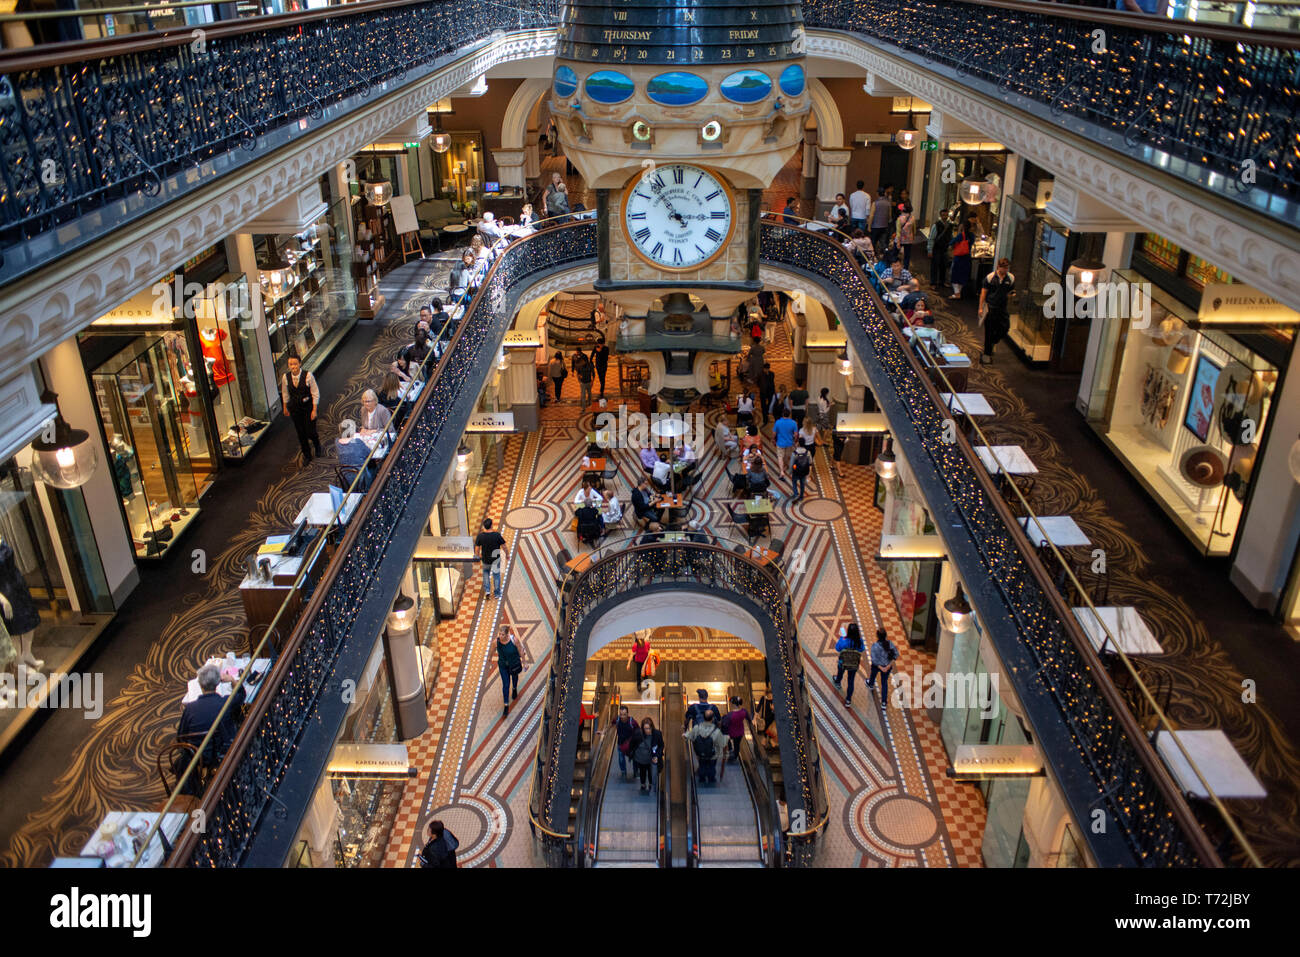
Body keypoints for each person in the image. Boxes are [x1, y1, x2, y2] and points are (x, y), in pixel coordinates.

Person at [178, 662, 245, 767]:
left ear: (200, 684)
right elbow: (241, 694)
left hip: (196, 756)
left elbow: (181, 736)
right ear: (218, 682)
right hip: (222, 753)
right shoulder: (224, 703)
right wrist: (232, 679)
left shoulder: (190, 708)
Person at [281, 353, 321, 464]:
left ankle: (317, 444)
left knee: (310, 431)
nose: (293, 366)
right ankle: (307, 454)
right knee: (301, 433)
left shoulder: (308, 376)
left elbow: (315, 393)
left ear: (300, 364)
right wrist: (285, 407)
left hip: (307, 407)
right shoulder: (286, 377)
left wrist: (314, 409)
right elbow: (285, 393)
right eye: (290, 364)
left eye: (295, 364)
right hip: (295, 408)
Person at [979, 256, 1016, 364]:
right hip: (991, 307)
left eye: (1007, 268)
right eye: (1003, 268)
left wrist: (1012, 295)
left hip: (1002, 308)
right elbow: (983, 292)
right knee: (989, 332)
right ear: (998, 267)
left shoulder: (1011, 278)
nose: (1005, 270)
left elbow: (1012, 290)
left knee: (1005, 328)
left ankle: (993, 342)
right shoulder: (990, 277)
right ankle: (987, 354)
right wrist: (980, 308)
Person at [685, 708, 727, 784]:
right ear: (713, 718)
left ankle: (702, 778)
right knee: (711, 766)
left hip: (700, 753)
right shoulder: (716, 730)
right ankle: (711, 779)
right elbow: (723, 743)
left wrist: (684, 733)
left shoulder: (697, 728)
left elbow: (689, 736)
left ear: (703, 717)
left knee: (702, 765)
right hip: (712, 754)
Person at [629, 716, 665, 794]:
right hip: (641, 758)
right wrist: (632, 754)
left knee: (650, 772)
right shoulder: (638, 734)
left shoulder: (657, 734)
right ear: (642, 728)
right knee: (642, 771)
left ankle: (651, 784)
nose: (648, 730)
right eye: (646, 728)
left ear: (652, 727)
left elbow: (661, 745)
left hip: (651, 758)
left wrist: (657, 756)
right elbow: (632, 744)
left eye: (649, 728)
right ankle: (643, 784)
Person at [336, 419, 374, 491]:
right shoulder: (358, 442)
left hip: (345, 477)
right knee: (374, 466)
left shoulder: (337, 442)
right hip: (361, 478)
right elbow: (370, 454)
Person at [833, 623, 866, 706]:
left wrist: (842, 637)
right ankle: (848, 700)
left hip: (843, 663)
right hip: (854, 665)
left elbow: (837, 648)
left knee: (840, 672)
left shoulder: (844, 640)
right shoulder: (859, 642)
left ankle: (838, 682)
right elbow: (862, 649)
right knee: (851, 680)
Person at [474, 518, 506, 599]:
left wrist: (477, 557)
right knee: (496, 576)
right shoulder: (496, 535)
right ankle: (497, 593)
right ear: (491, 525)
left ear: (484, 526)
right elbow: (504, 546)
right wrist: (507, 554)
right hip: (495, 560)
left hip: (485, 560)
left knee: (486, 574)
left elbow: (477, 548)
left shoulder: (480, 536)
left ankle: (487, 591)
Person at [495, 626, 523, 717]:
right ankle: (506, 705)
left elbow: (520, 650)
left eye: (502, 634)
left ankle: (514, 688)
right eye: (499, 634)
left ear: (507, 634)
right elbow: (492, 650)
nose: (500, 636)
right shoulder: (496, 642)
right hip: (503, 666)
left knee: (514, 678)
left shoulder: (514, 640)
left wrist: (525, 662)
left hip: (513, 663)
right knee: (506, 684)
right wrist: (489, 658)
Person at [868, 627, 898, 700]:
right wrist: (888, 666)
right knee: (884, 683)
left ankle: (871, 684)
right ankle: (884, 702)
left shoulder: (875, 646)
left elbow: (873, 659)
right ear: (885, 635)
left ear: (877, 636)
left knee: (873, 675)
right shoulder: (890, 644)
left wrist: (881, 668)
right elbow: (896, 655)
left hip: (876, 666)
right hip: (887, 667)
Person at [949, 220, 974, 300]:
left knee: (955, 275)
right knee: (963, 275)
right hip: (967, 257)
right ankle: (959, 292)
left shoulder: (961, 235)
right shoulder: (972, 236)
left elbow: (952, 242)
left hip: (959, 257)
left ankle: (957, 293)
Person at [928, 209, 952, 289]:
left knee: (943, 265)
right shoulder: (936, 225)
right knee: (935, 265)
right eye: (943, 215)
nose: (945, 216)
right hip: (937, 248)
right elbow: (931, 238)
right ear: (941, 216)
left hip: (945, 248)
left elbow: (950, 236)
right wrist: (930, 250)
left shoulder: (949, 225)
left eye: (946, 215)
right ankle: (933, 282)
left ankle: (942, 281)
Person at [614, 704, 638, 780]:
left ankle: (635, 772)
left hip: (631, 744)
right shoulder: (617, 720)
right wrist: (603, 732)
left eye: (624, 714)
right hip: (621, 743)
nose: (622, 716)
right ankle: (623, 772)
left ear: (627, 714)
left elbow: (638, 730)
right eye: (621, 714)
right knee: (621, 759)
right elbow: (611, 725)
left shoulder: (632, 721)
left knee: (635, 758)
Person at [722, 696, 750, 762]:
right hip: (740, 732)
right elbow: (749, 719)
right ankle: (735, 756)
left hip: (731, 733)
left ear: (733, 704)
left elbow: (724, 724)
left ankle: (730, 749)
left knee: (725, 735)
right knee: (737, 745)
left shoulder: (730, 715)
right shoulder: (744, 711)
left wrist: (723, 718)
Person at [895, 206, 917, 271]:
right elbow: (914, 229)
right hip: (909, 240)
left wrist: (898, 242)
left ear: (902, 210)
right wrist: (913, 237)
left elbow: (898, 231)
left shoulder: (899, 219)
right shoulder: (912, 218)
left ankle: (894, 267)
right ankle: (905, 270)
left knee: (894, 254)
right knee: (907, 256)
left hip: (900, 240)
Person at [757, 362, 776, 427]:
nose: (767, 370)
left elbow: (771, 381)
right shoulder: (760, 374)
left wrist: (767, 375)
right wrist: (761, 387)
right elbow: (758, 382)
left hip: (770, 391)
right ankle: (765, 419)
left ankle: (767, 410)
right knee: (763, 405)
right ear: (763, 368)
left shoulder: (772, 374)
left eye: (768, 369)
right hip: (763, 391)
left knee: (770, 402)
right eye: (766, 369)